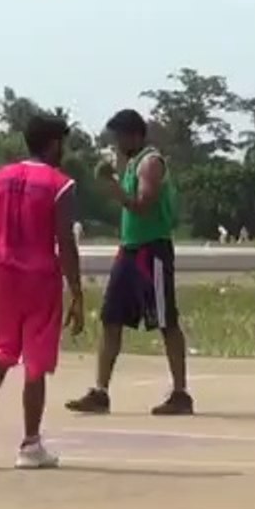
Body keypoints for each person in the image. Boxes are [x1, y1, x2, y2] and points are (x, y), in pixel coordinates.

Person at [0, 116, 84, 469]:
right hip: (40, 277)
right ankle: (30, 444)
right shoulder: (60, 184)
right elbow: (65, 242)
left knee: (2, 349)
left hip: (3, 272)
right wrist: (76, 291)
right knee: (36, 360)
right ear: (54, 144)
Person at [66, 109, 193, 416]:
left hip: (152, 251)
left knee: (166, 320)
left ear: (134, 135)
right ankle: (101, 391)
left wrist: (115, 191)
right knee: (111, 317)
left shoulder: (150, 162)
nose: (117, 142)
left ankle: (180, 393)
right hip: (130, 250)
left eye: (120, 136)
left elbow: (143, 204)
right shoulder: (131, 164)